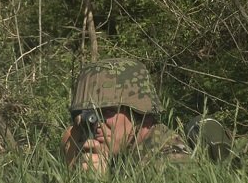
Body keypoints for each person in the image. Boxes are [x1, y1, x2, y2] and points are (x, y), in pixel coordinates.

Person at [61, 58, 193, 174]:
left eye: (108, 111)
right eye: (91, 114)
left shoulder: (173, 164)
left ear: (140, 113)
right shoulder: (122, 152)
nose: (97, 123)